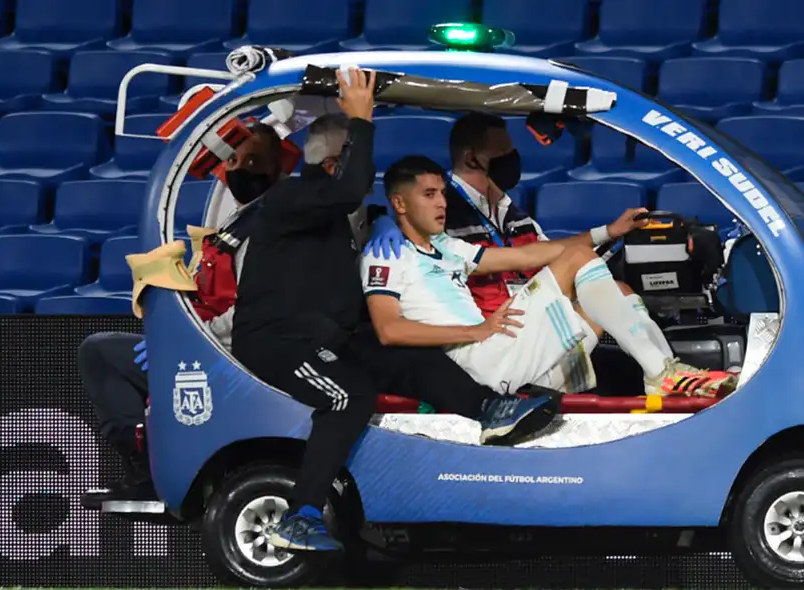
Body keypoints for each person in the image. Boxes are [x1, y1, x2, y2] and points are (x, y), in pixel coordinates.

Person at [231, 69, 560, 553]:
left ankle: (490, 408)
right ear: (331, 166)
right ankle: (299, 516)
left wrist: (387, 221)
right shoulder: (290, 198)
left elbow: (356, 209)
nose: (364, 177)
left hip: (329, 336)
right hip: (280, 341)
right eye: (352, 162)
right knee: (348, 396)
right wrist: (361, 119)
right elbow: (346, 190)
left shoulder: (342, 217)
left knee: (410, 355)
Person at [361, 155, 739, 398]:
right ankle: (661, 374)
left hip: (496, 348)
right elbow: (389, 330)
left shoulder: (444, 245)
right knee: (579, 260)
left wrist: (608, 232)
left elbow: (526, 255)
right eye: (429, 195)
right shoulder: (385, 255)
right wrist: (473, 332)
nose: (442, 203)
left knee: (617, 293)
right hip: (475, 360)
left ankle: (664, 369)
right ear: (399, 203)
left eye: (443, 193)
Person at [79, 122, 282, 504]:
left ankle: (151, 467)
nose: (240, 169)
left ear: (276, 168)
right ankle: (150, 462)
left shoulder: (268, 228)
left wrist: (191, 339)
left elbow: (256, 313)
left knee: (100, 352)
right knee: (103, 350)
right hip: (211, 342)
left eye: (254, 160)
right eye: (234, 160)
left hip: (230, 355)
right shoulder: (238, 219)